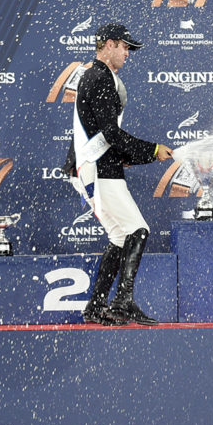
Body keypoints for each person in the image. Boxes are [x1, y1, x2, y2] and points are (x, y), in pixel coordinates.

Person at [63, 23, 174, 326]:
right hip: (96, 170)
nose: (128, 53)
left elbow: (103, 134)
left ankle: (96, 307)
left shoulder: (97, 75)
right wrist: (151, 150)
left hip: (97, 166)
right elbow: (111, 133)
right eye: (125, 47)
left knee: (120, 236)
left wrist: (132, 157)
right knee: (137, 230)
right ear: (109, 45)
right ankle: (123, 301)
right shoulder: (99, 77)